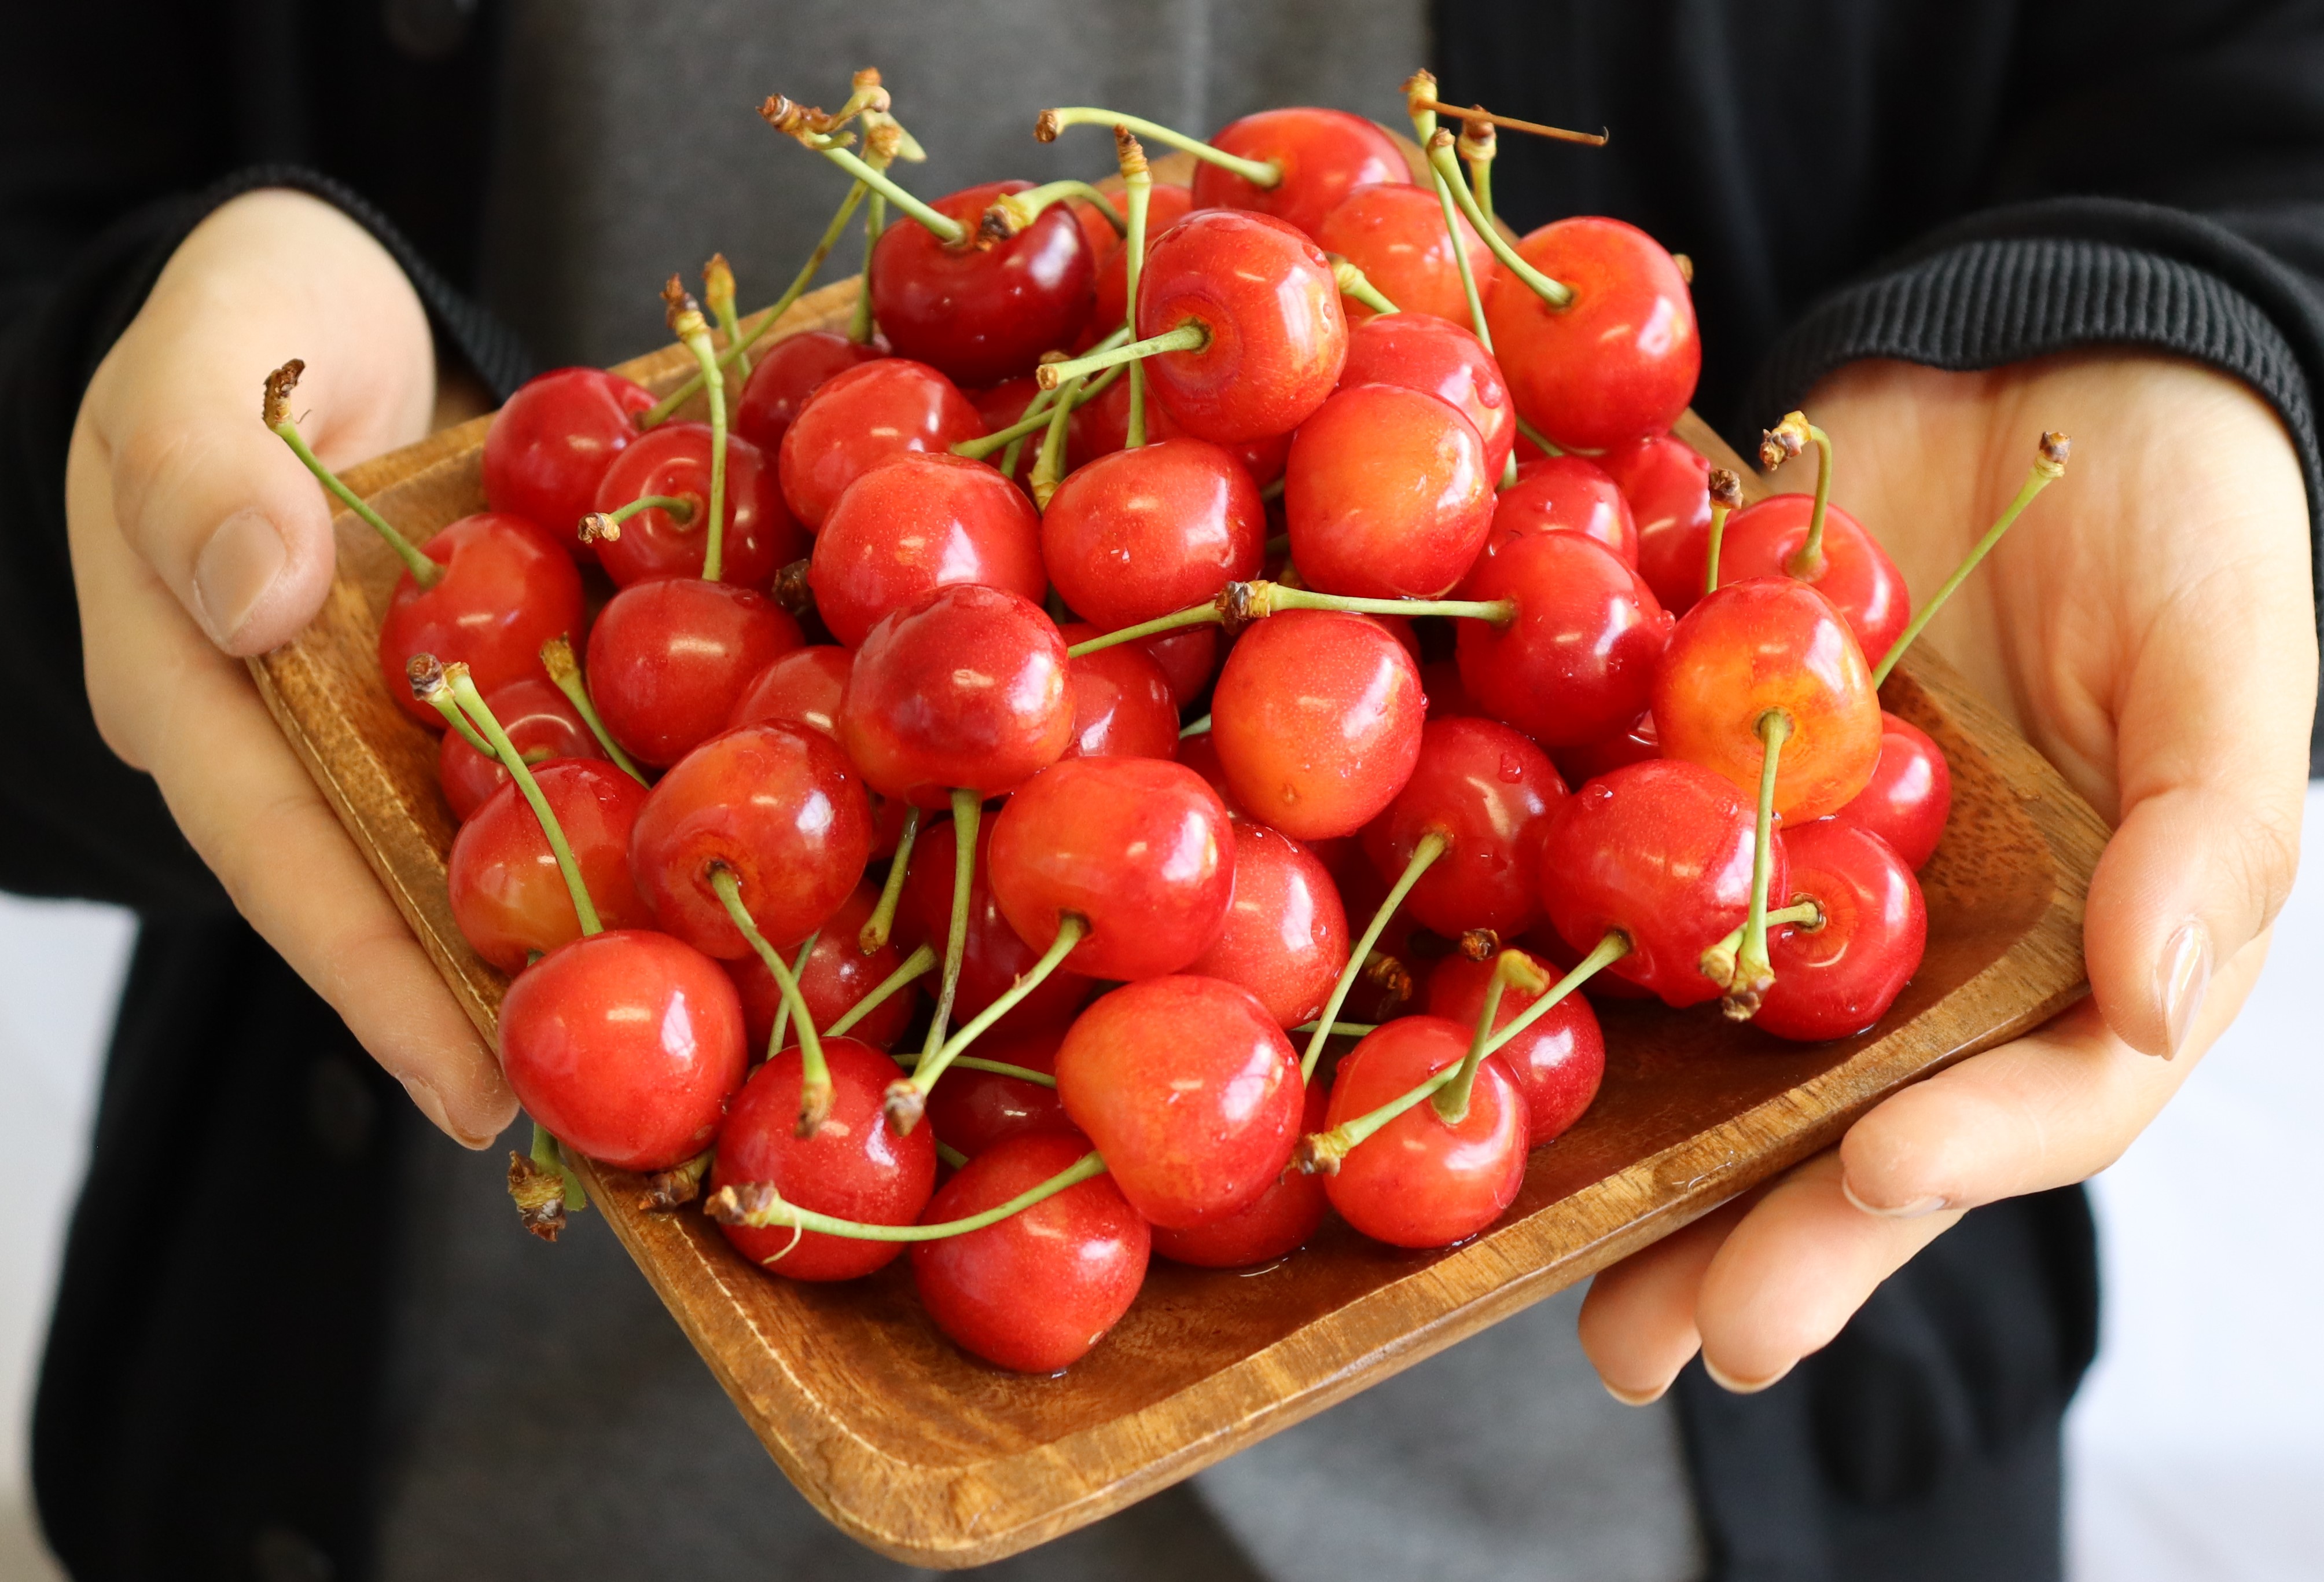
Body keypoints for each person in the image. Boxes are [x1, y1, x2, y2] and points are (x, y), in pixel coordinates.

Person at [5, 2, 2317, 1579]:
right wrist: (101, 454)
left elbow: (2248, 78)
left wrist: (2183, 320)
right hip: (506, 1468)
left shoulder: (1573, 702)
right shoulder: (898, 700)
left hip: (1635, 1485)